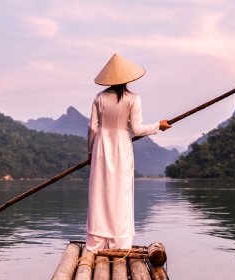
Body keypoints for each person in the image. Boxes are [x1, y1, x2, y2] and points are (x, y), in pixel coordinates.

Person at [86, 53, 171, 253]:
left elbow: (92, 128)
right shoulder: (133, 99)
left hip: (101, 148)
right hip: (122, 148)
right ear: (127, 78)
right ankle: (120, 244)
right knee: (121, 194)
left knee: (99, 193)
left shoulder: (99, 98)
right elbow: (138, 129)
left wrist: (90, 152)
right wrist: (159, 126)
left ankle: (96, 243)